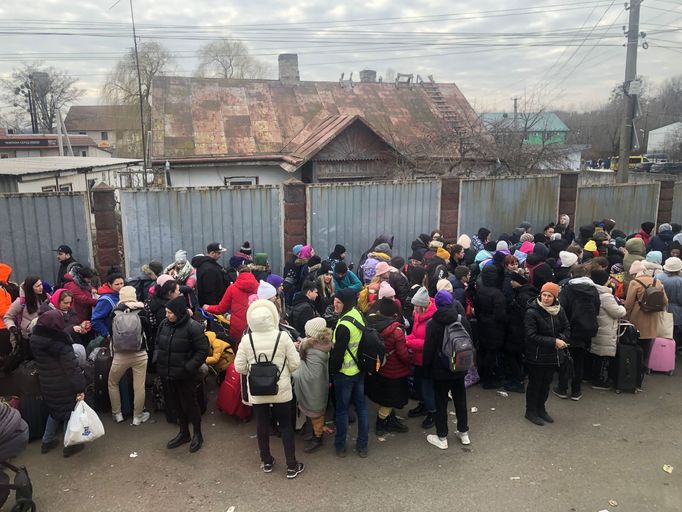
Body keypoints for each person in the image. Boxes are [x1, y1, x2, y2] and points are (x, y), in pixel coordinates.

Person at [234, 299, 303, 478]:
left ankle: (266, 461)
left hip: (257, 392)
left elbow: (240, 367)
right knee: (286, 427)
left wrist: (254, 369)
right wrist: (281, 372)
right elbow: (295, 364)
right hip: (282, 390)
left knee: (262, 426)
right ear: (273, 317)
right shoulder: (283, 337)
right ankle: (291, 465)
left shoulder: (246, 340)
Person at [30, 310, 86, 457]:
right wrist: (80, 388)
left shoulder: (36, 339)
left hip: (47, 382)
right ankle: (70, 444)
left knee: (54, 411)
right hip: (63, 384)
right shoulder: (62, 344)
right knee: (69, 412)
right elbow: (72, 369)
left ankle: (46, 442)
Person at [156, 296, 209, 453]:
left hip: (185, 375)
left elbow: (202, 350)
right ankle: (184, 433)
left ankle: (197, 434)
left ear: (179, 312)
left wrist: (189, 367)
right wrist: (159, 361)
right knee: (176, 405)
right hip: (168, 373)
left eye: (170, 313)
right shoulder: (164, 324)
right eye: (166, 312)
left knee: (190, 404)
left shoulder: (193, 327)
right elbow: (159, 343)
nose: (167, 315)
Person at [422, 290, 472, 449]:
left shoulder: (432, 323)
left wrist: (426, 371)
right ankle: (464, 433)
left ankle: (442, 437)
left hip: (440, 370)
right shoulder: (462, 320)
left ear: (436, 303)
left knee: (441, 403)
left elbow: (428, 350)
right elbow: (470, 341)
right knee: (460, 400)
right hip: (460, 367)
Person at [329, 289, 369, 458]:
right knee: (361, 408)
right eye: (334, 301)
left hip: (345, 373)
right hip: (360, 370)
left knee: (342, 411)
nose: (335, 305)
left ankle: (340, 446)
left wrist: (333, 370)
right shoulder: (357, 314)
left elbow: (337, 355)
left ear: (346, 303)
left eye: (338, 302)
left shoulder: (343, 325)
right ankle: (362, 445)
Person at [524, 282, 570, 426]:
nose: (546, 298)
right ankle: (530, 411)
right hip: (536, 355)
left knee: (546, 384)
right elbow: (531, 335)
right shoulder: (532, 312)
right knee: (535, 384)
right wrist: (553, 341)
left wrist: (561, 339)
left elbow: (567, 328)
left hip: (553, 355)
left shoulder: (559, 310)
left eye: (549, 296)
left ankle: (541, 408)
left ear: (555, 297)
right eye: (544, 295)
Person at [366, 298, 411, 436]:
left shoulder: (371, 324)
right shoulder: (396, 331)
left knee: (385, 397)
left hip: (379, 367)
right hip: (394, 370)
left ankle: (390, 419)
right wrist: (410, 360)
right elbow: (403, 355)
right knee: (391, 399)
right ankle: (381, 423)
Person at [554, 267, 600, 401]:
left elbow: (561, 309)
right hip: (586, 329)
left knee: (565, 358)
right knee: (579, 360)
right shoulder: (593, 290)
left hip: (569, 329)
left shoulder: (568, 289)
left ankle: (562, 388)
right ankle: (576, 390)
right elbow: (597, 308)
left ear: (572, 275)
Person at [107, 286, 150, 426]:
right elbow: (148, 331)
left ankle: (117, 414)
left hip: (120, 355)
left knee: (113, 383)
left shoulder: (115, 312)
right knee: (139, 386)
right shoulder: (142, 311)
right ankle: (138, 417)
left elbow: (110, 332)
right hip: (140, 354)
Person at [293, 317, 332, 453]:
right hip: (321, 383)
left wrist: (295, 372)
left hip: (313, 385)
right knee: (317, 410)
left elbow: (309, 373)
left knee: (315, 412)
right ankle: (315, 432)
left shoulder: (310, 348)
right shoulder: (324, 344)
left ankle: (317, 438)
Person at [589, 270, 626, 390]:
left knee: (594, 354)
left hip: (596, 326)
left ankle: (590, 377)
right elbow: (618, 312)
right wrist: (621, 307)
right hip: (605, 328)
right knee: (602, 355)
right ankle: (599, 381)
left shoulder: (592, 291)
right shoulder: (606, 296)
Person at [405, 286, 437, 428]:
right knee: (418, 385)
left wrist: (408, 342)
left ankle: (433, 412)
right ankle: (424, 405)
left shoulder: (432, 319)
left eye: (417, 306)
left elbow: (428, 344)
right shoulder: (418, 314)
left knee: (427, 387)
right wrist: (406, 338)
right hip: (417, 358)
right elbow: (415, 334)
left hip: (428, 360)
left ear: (424, 305)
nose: (415, 309)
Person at [204, 266, 259, 344]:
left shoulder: (232, 288)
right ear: (251, 273)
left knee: (238, 350)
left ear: (238, 274)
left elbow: (221, 309)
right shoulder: (260, 287)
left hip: (238, 328)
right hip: (256, 324)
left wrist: (208, 307)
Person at [474, 266, 507, 389]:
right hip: (495, 328)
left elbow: (476, 310)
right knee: (491, 354)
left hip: (482, 325)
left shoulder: (480, 291)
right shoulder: (497, 294)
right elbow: (500, 314)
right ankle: (488, 380)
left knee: (483, 351)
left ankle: (482, 376)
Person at [3, 276, 51, 341]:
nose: (41, 287)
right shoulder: (21, 301)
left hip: (46, 334)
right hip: (28, 337)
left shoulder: (46, 297)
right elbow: (8, 317)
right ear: (30, 288)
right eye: (37, 286)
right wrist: (12, 327)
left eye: (41, 284)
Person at [192, 243, 232, 307]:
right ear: (212, 253)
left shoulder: (210, 265)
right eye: (219, 253)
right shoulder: (209, 269)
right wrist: (214, 307)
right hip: (213, 305)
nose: (220, 255)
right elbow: (210, 292)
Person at [655, 257, 682, 350]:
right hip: (675, 310)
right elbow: (680, 298)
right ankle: (670, 352)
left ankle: (658, 350)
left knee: (659, 331)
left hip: (659, 308)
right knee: (673, 332)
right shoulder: (679, 280)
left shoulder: (658, 276)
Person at [91, 273, 125, 339]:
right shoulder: (106, 300)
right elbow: (95, 320)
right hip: (113, 336)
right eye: (117, 284)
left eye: (122, 283)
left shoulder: (120, 295)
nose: (120, 286)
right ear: (109, 284)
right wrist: (107, 334)